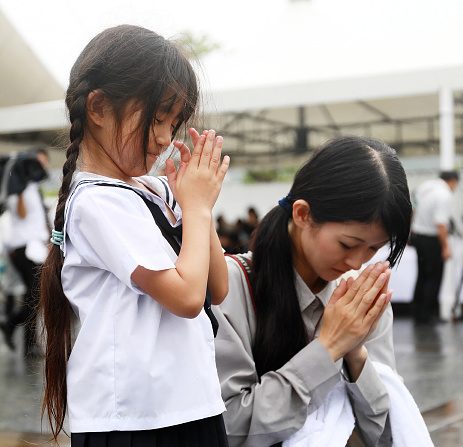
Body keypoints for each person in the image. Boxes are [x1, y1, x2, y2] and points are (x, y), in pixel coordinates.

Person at [39, 25, 230, 446]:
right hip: (134, 419)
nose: (165, 138)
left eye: (174, 123)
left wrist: (199, 206)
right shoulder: (95, 202)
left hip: (191, 402)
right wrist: (195, 208)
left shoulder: (154, 190)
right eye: (157, 118)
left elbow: (217, 287)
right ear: (99, 108)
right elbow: (185, 297)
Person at [214, 136, 413, 446]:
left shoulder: (364, 300)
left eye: (374, 248)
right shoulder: (228, 286)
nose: (356, 262)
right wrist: (329, 346)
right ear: (302, 214)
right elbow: (232, 428)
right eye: (347, 244)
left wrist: (355, 351)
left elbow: (388, 433)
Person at [0, 147, 50, 355]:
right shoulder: (18, 188)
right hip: (24, 248)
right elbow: (20, 214)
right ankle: (21, 334)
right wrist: (19, 188)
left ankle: (18, 331)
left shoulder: (33, 187)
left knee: (35, 297)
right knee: (34, 296)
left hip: (35, 247)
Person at [410, 170, 460, 324]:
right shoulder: (444, 195)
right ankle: (428, 314)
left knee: (422, 276)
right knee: (434, 278)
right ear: (453, 181)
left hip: (418, 236)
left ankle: (418, 312)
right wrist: (445, 247)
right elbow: (441, 224)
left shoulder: (426, 187)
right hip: (432, 240)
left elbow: (414, 207)